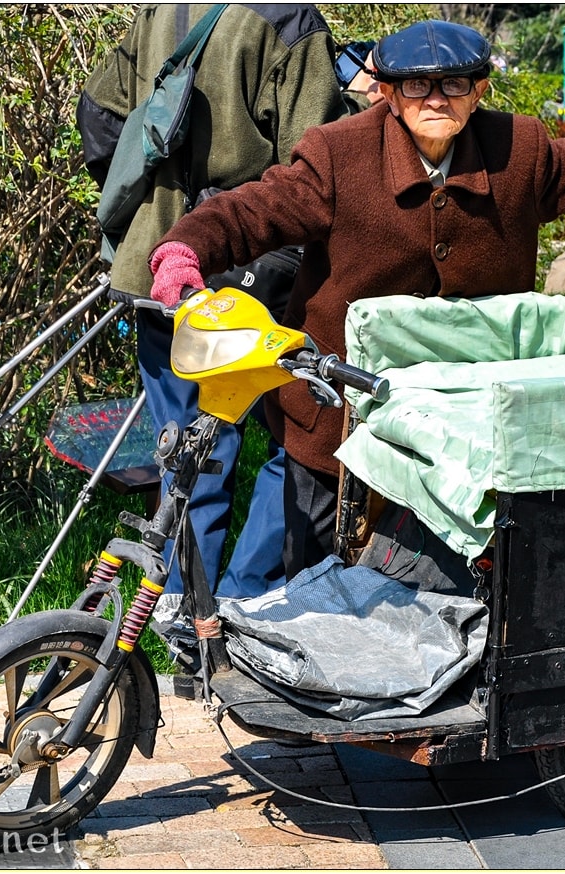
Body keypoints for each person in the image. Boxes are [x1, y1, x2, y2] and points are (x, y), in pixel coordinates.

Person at [147, 19, 565, 579]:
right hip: (339, 411)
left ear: (478, 90)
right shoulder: (338, 156)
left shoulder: (520, 152)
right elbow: (254, 210)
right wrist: (185, 250)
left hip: (464, 419)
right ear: (390, 93)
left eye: (453, 85)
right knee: (301, 581)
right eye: (416, 86)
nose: (435, 99)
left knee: (443, 580)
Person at [77, 4, 380, 617]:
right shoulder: (291, 21)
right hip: (254, 261)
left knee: (186, 453)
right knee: (298, 435)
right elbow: (315, 160)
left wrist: (154, 202)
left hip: (158, 261)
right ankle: (236, 607)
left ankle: (176, 617)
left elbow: (100, 116)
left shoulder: (164, 8)